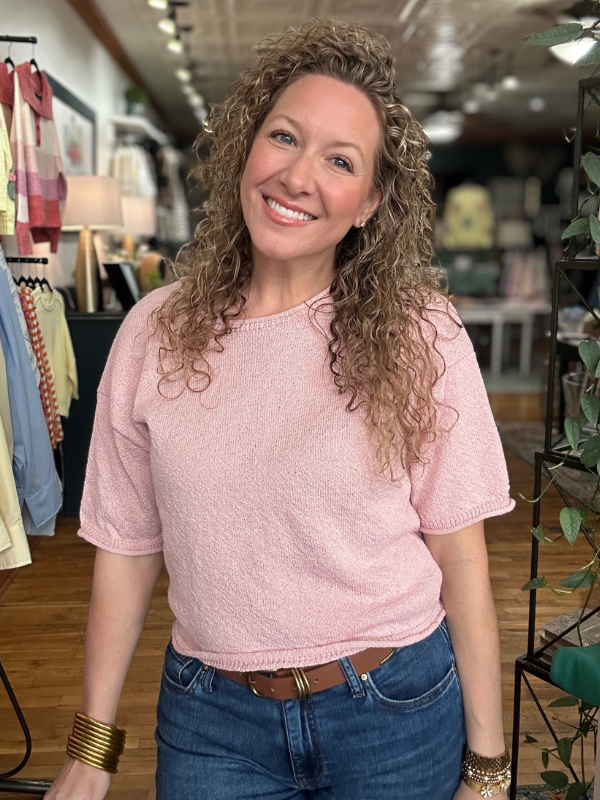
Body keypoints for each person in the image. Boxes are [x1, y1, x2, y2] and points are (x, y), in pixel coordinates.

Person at [45, 18, 515, 800]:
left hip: (394, 710)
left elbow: (461, 557)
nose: (299, 176)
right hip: (212, 722)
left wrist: (491, 768)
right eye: (285, 137)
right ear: (246, 149)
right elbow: (127, 550)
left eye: (340, 160)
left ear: (369, 203)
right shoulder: (154, 331)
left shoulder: (420, 333)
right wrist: (91, 751)